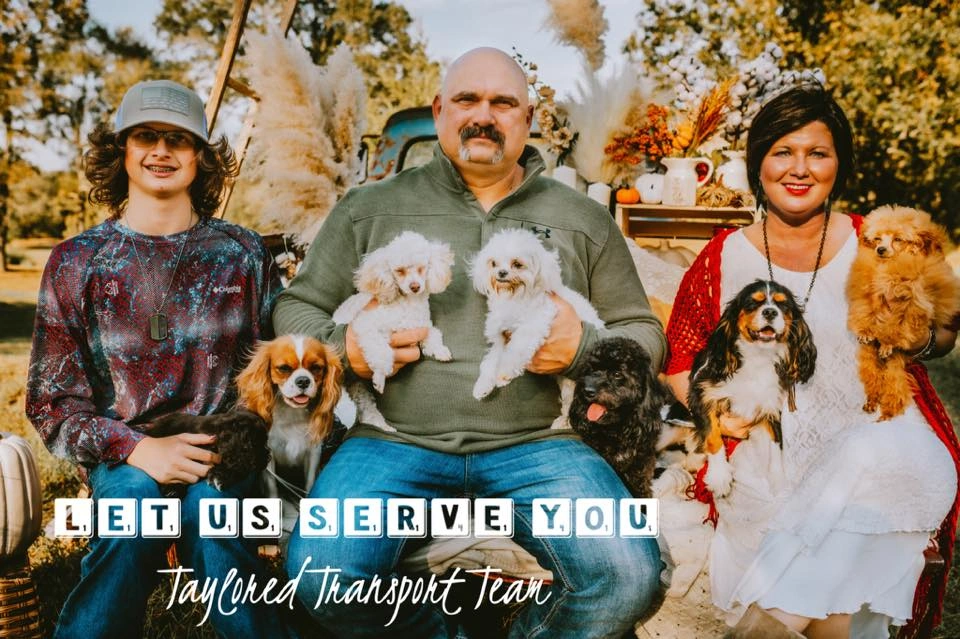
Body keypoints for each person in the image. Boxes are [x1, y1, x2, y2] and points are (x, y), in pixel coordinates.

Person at [274, 47, 666, 638]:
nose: (484, 115)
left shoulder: (582, 217)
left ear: (527, 118)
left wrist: (584, 348)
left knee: (629, 576)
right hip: (392, 443)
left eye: (503, 103)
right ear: (439, 111)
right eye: (467, 100)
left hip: (542, 444)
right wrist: (341, 347)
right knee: (321, 576)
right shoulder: (369, 207)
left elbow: (644, 332)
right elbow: (295, 305)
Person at [664, 84, 960, 639]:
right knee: (831, 545)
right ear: (758, 163)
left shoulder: (879, 239)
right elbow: (678, 355)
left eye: (817, 153)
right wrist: (717, 417)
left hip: (882, 438)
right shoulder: (722, 256)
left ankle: (767, 626)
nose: (799, 169)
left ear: (838, 164)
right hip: (771, 450)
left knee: (873, 458)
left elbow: (940, 333)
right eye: (783, 152)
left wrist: (917, 334)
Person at [26, 79, 295, 639]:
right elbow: (52, 402)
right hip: (123, 454)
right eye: (145, 136)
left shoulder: (241, 254)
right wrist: (136, 448)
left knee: (213, 520)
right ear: (121, 150)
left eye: (179, 139)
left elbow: (281, 364)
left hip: (222, 448)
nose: (162, 151)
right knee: (131, 512)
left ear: (201, 156)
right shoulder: (77, 261)